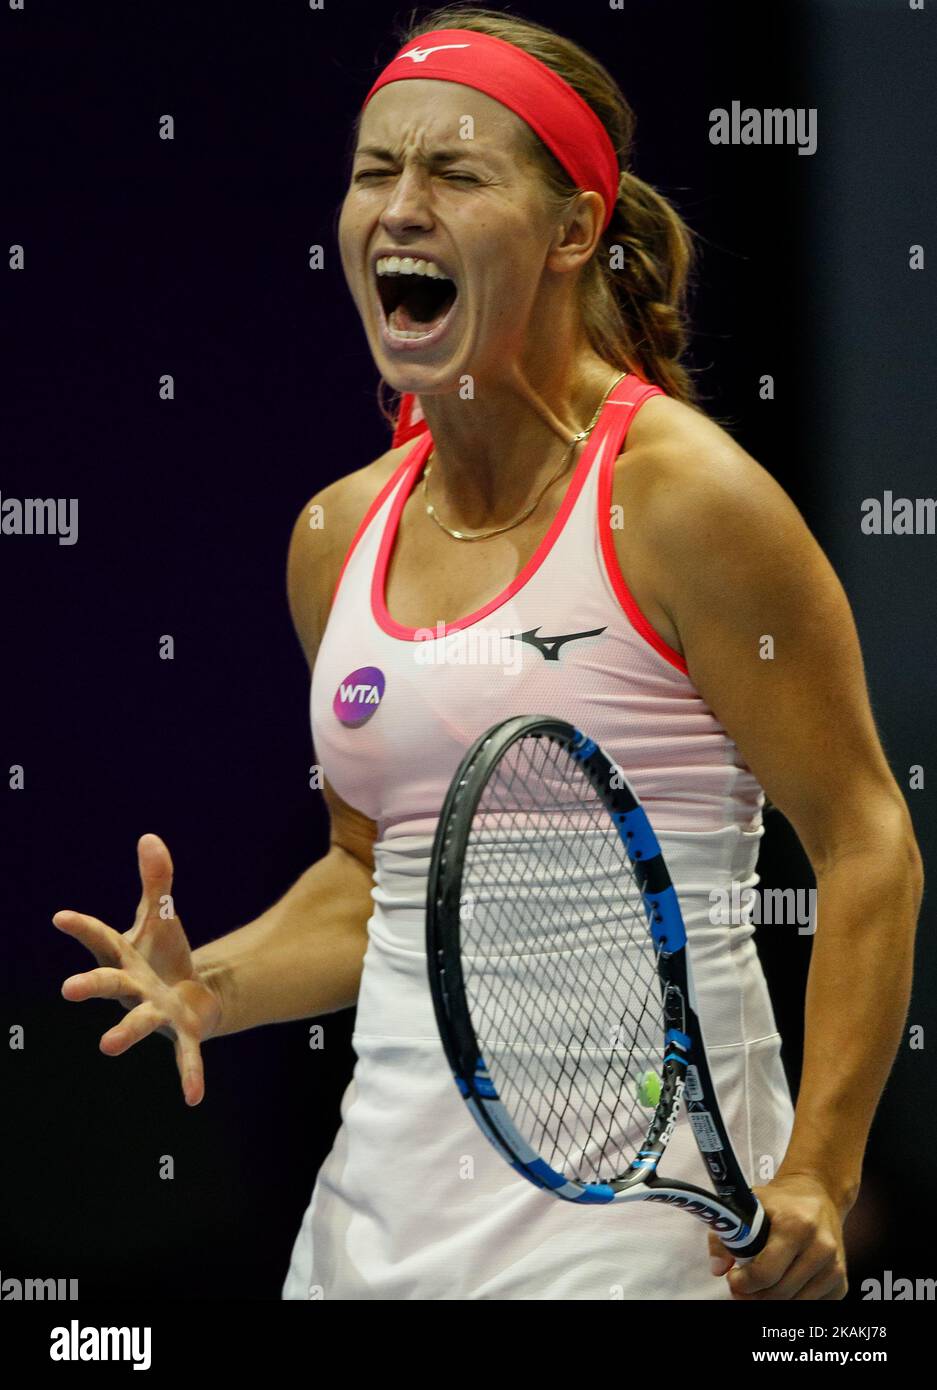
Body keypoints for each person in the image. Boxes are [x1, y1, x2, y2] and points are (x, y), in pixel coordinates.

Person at [54, 8, 922, 1301]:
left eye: (453, 173)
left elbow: (865, 841)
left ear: (574, 228)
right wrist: (215, 985)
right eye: (372, 172)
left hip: (638, 1252)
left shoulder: (688, 504)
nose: (399, 208)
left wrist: (818, 1171)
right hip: (364, 1238)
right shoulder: (335, 536)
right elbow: (380, 874)